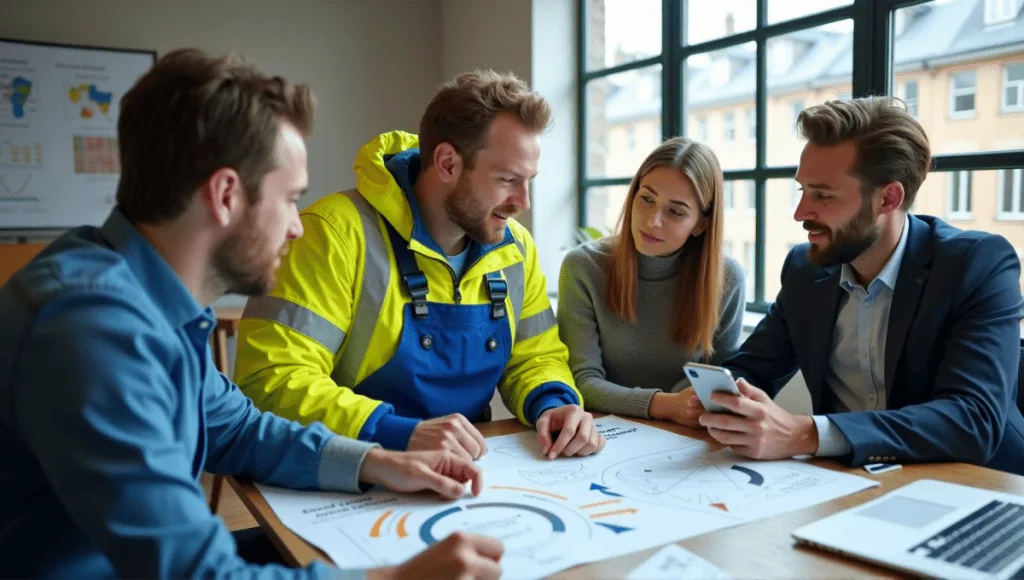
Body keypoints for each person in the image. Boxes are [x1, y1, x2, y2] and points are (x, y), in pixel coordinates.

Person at [0, 48, 506, 579]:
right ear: (224, 195)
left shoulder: (142, 295)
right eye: (289, 199)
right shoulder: (90, 330)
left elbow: (238, 429)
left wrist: (378, 462)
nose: (296, 226)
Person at [234, 70, 605, 461]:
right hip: (354, 468)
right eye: (507, 179)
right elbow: (271, 380)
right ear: (447, 163)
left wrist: (553, 402)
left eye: (528, 180)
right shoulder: (332, 233)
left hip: (471, 471)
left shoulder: (516, 249)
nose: (522, 202)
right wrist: (398, 433)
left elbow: (536, 356)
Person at [676, 96, 1024, 476]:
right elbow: (754, 367)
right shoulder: (804, 270)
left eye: (823, 195)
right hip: (849, 481)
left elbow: (973, 419)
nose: (800, 213)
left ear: (888, 198)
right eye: (802, 191)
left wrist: (805, 433)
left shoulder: (977, 264)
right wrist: (722, 401)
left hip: (978, 484)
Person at [556, 137, 745, 423]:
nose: (652, 221)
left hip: (686, 439)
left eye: (675, 211)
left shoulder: (727, 279)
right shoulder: (583, 267)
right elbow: (582, 382)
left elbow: (720, 382)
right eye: (646, 199)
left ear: (701, 224)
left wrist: (688, 406)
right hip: (600, 433)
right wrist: (668, 405)